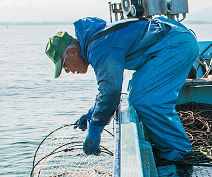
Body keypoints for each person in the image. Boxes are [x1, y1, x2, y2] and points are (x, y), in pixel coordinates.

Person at [45, 16, 199, 161]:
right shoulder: (97, 40)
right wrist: (92, 114)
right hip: (173, 41)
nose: (69, 71)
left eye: (64, 66)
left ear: (72, 51)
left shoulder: (98, 47)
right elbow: (111, 86)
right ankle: (169, 146)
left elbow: (111, 91)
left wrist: (94, 132)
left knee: (146, 100)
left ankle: (180, 151)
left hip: (176, 45)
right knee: (135, 93)